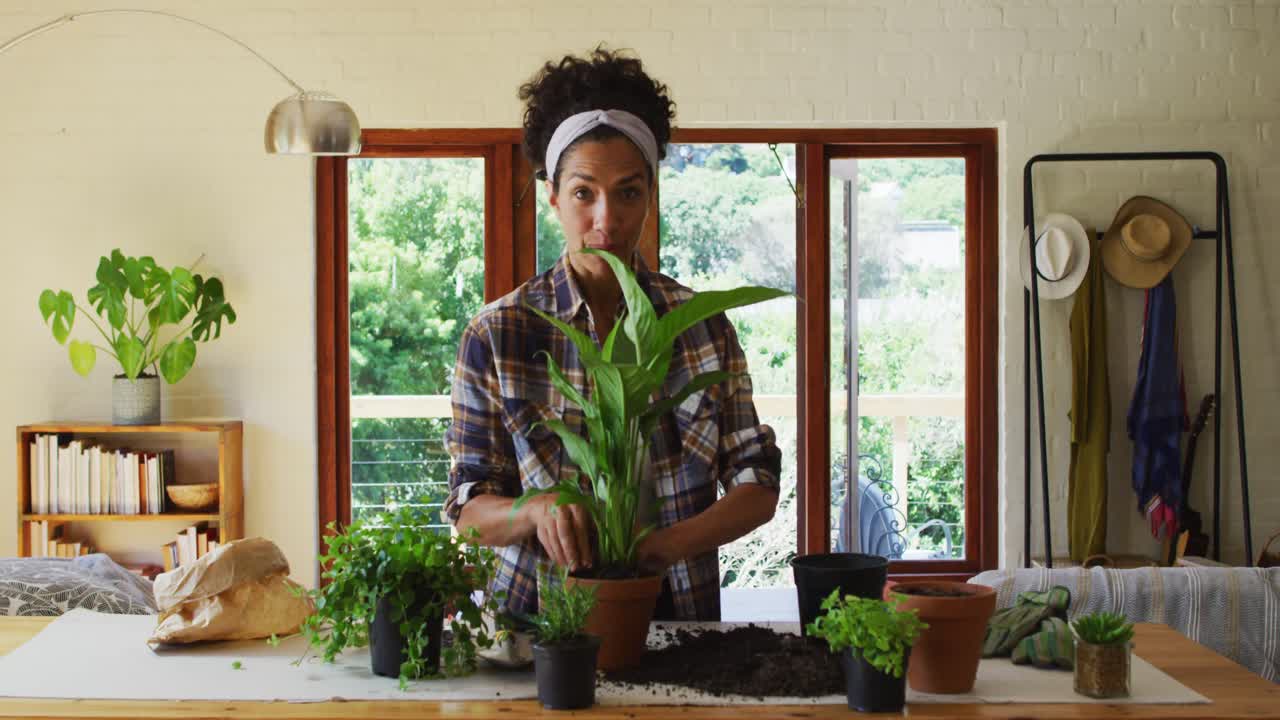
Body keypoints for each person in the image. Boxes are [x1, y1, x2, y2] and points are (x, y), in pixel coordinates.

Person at [442, 46, 781, 621]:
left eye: (628, 192)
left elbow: (757, 481)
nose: (606, 220)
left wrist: (663, 548)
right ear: (553, 195)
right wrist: (535, 510)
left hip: (676, 618)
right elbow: (468, 509)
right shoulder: (499, 333)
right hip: (538, 624)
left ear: (651, 194)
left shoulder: (700, 328)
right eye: (583, 193)